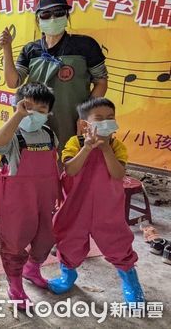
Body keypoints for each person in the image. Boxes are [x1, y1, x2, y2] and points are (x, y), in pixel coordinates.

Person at [49, 97, 144, 304]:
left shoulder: (117, 147)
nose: (106, 122)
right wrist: (88, 147)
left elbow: (118, 174)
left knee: (117, 241)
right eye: (99, 118)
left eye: (110, 118)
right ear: (85, 124)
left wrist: (106, 149)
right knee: (69, 240)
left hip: (107, 208)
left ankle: (130, 279)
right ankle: (68, 274)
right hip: (76, 207)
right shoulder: (75, 143)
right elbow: (70, 170)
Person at [0, 0, 108, 148]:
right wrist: (6, 49)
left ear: (67, 15)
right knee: (36, 157)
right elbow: (13, 82)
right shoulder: (31, 49)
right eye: (46, 14)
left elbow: (101, 81)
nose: (53, 18)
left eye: (59, 13)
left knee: (69, 156)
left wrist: (86, 113)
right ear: (38, 19)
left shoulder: (85, 46)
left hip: (70, 116)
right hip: (34, 117)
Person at [0, 82, 60, 309]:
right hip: (16, 200)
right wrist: (17, 117)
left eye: (41, 110)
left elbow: (55, 163)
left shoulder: (49, 134)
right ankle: (15, 284)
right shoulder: (13, 134)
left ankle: (33, 269)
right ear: (17, 106)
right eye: (28, 108)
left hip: (45, 197)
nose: (34, 114)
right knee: (15, 242)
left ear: (49, 113)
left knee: (46, 238)